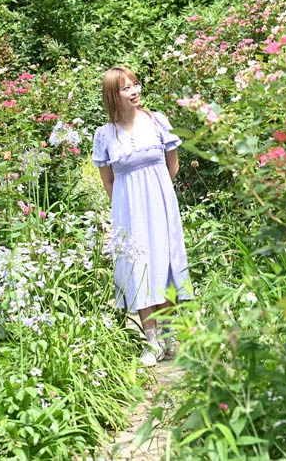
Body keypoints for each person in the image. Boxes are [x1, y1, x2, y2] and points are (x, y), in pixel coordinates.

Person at [91, 67, 191, 367]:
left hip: (160, 204)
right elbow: (107, 180)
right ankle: (152, 342)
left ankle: (171, 335)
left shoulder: (156, 120)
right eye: (126, 88)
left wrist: (158, 195)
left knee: (165, 263)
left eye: (136, 85)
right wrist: (123, 210)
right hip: (128, 212)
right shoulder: (105, 135)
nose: (134, 91)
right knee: (140, 268)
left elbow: (172, 165)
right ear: (113, 95)